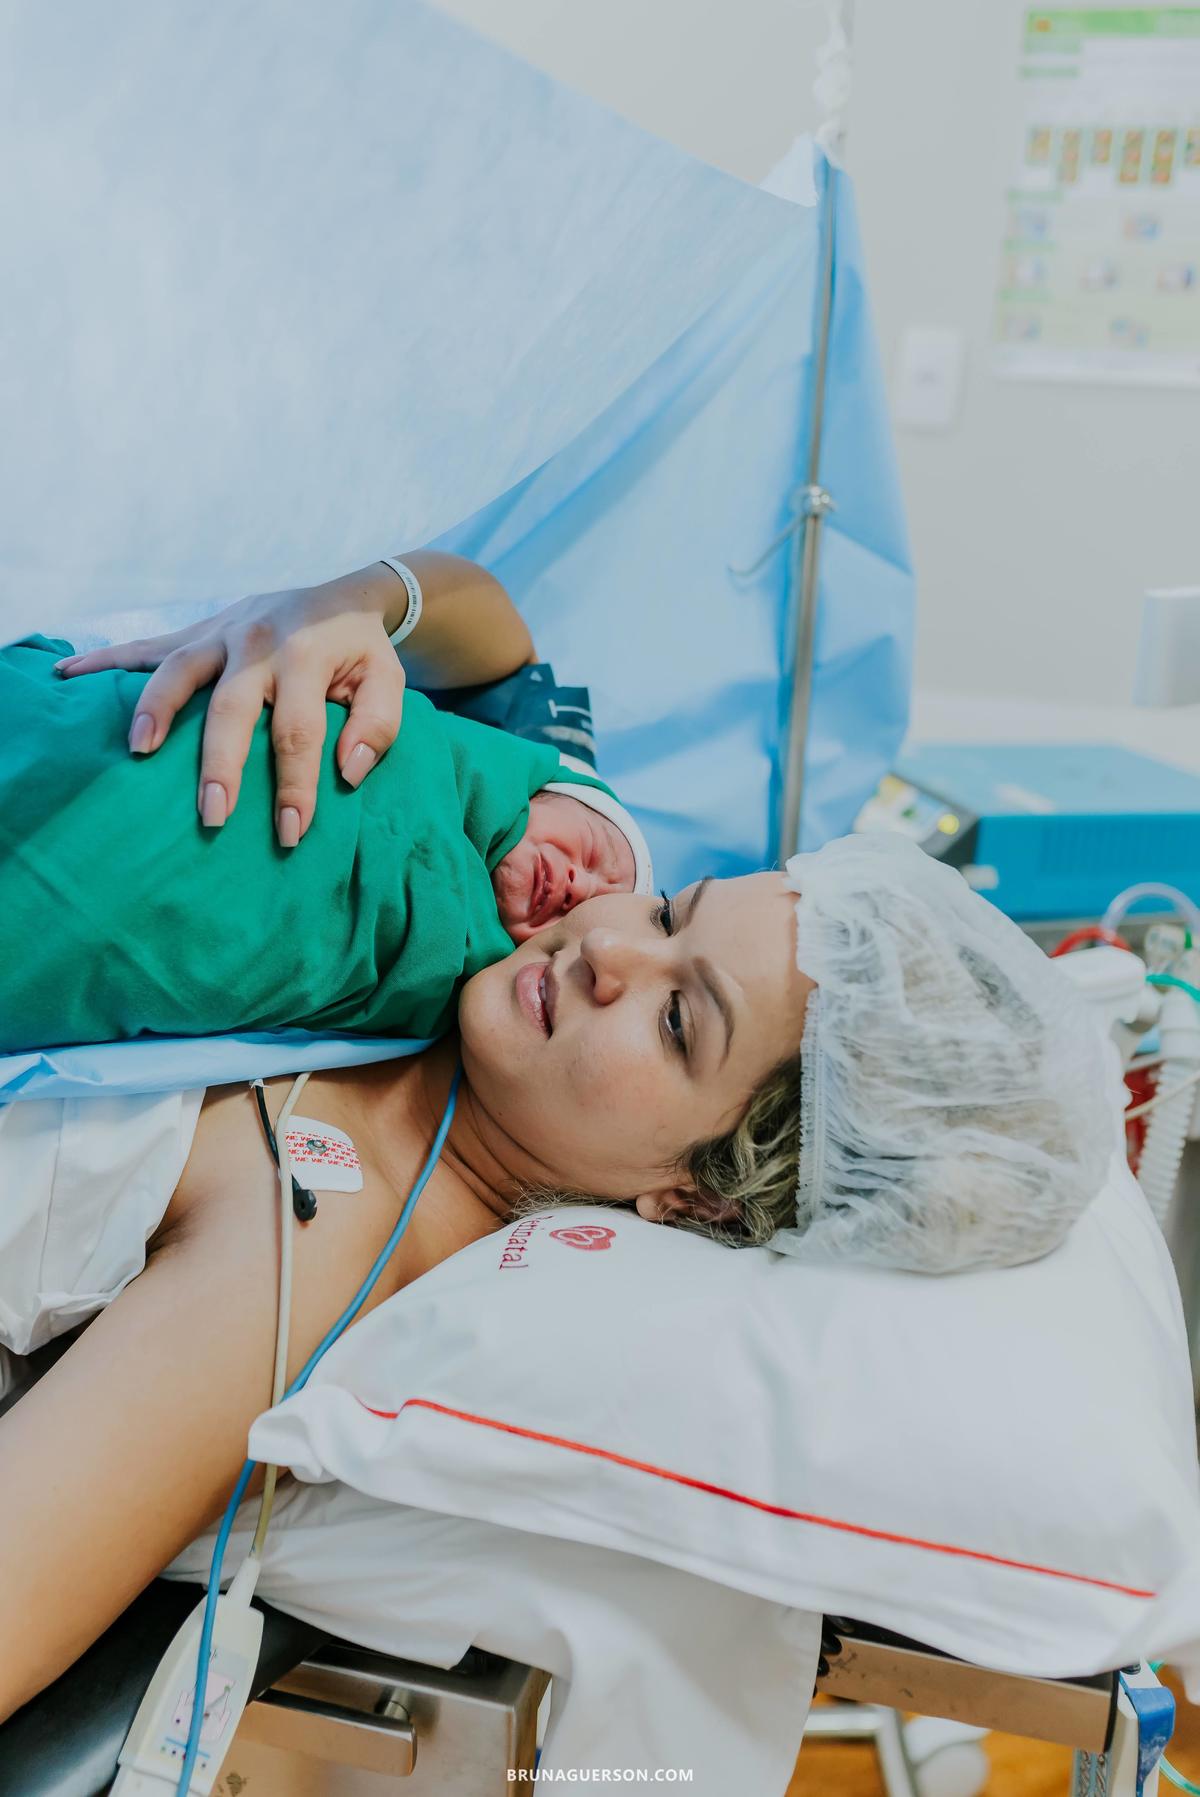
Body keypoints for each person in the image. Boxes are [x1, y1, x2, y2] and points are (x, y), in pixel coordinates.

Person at [0, 568, 1116, 1722]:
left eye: (679, 1023)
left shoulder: (302, 1248)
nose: (609, 948)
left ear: (702, 1201)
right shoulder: (520, 891)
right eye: (675, 910)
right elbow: (494, 642)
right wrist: (355, 604)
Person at [0, 554, 652, 1052]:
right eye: (596, 855)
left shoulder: (503, 1019)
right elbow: (502, 640)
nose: (578, 887)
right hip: (91, 731)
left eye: (594, 907)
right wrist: (360, 601)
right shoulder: (533, 759)